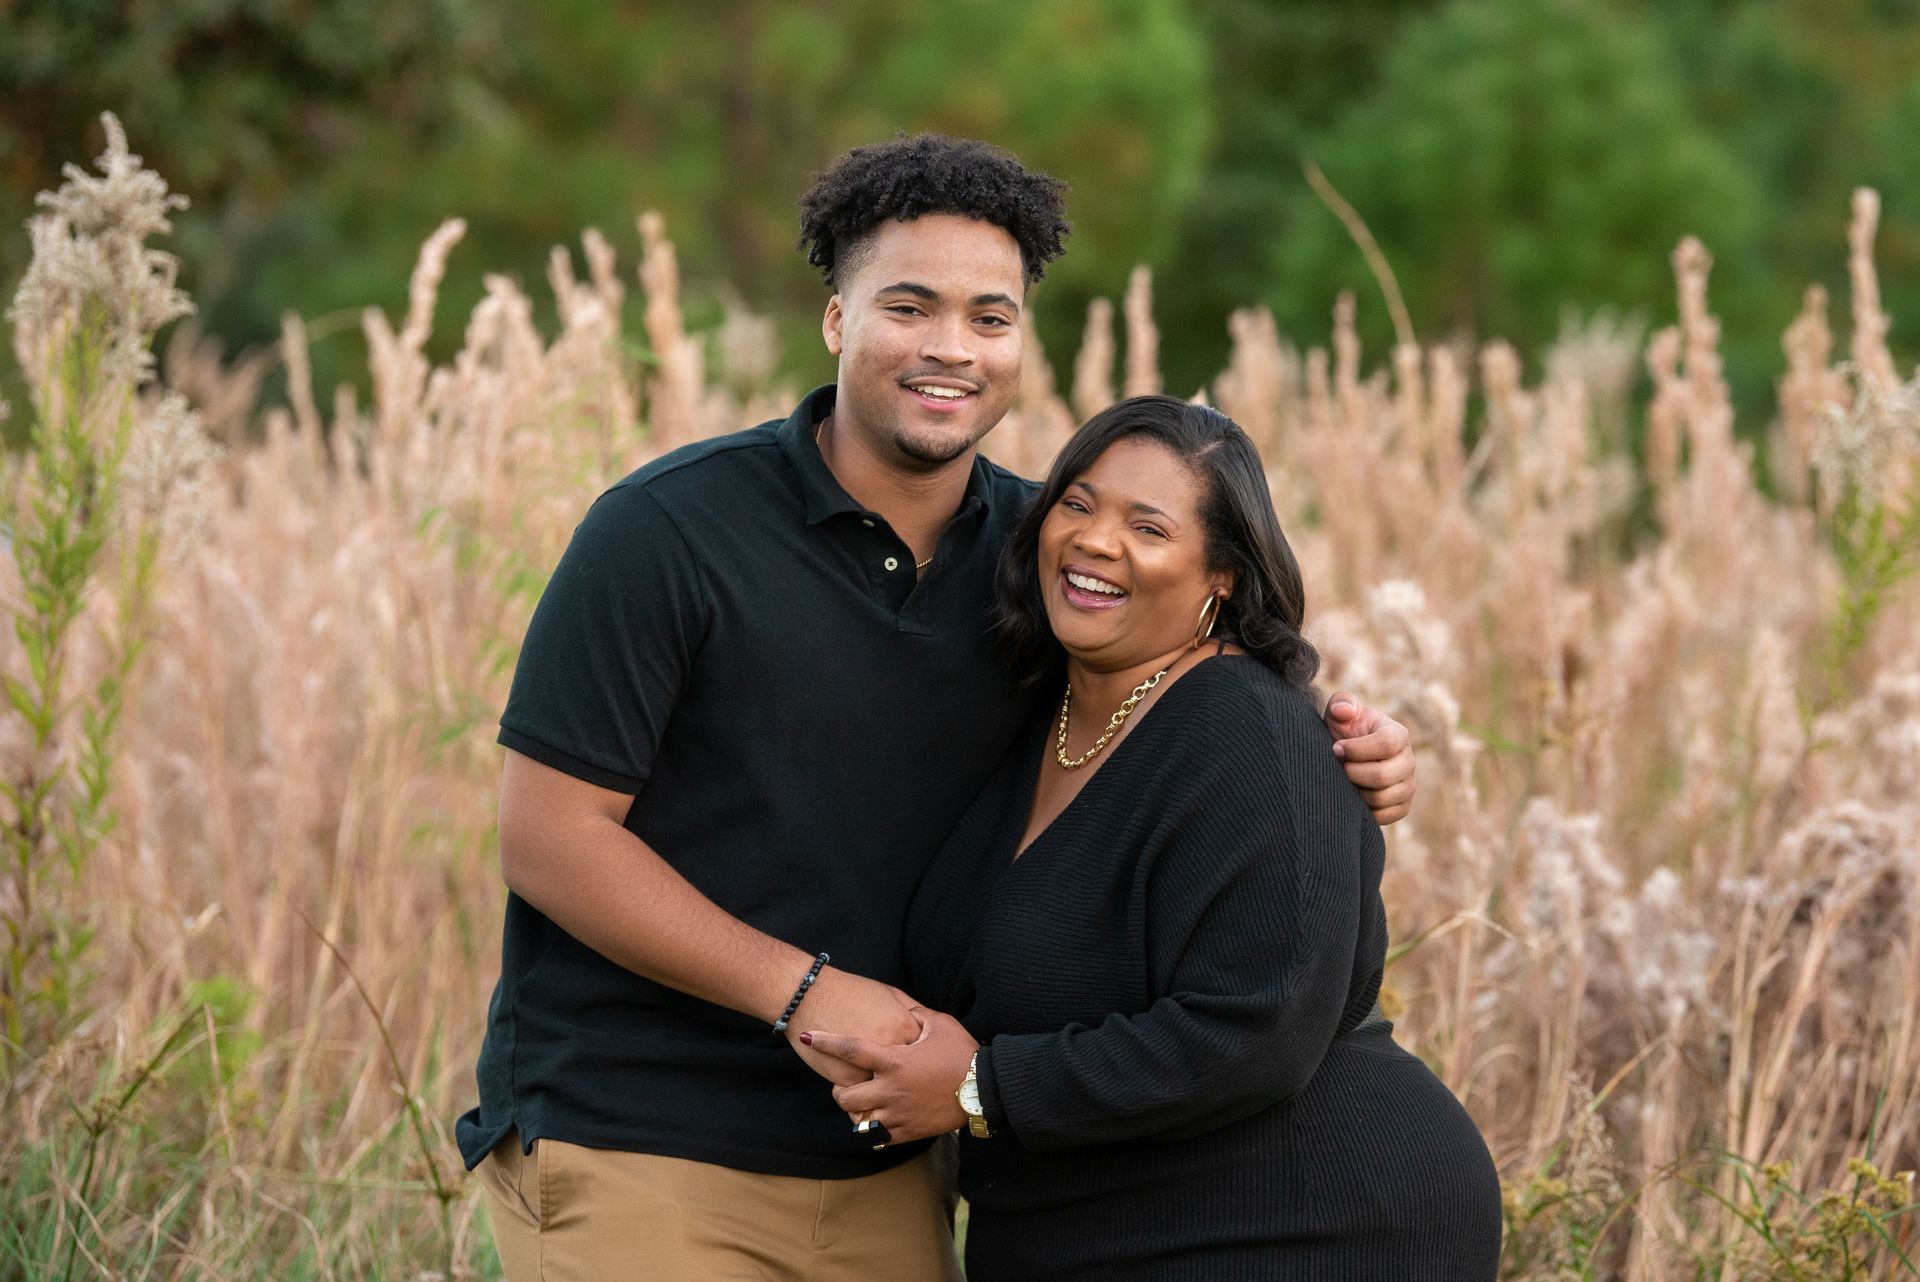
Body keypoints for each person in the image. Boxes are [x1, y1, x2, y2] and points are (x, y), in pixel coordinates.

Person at [456, 135, 1421, 1280]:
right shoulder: (667, 532)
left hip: (889, 1158)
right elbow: (551, 837)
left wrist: (1346, 757)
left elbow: (1172, 720)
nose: (950, 349)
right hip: (640, 1134)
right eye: (908, 307)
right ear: (836, 321)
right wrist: (809, 993)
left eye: (990, 317)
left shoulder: (1045, 560)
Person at [807, 396, 1502, 1280]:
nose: (1098, 540)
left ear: (1224, 577)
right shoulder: (1031, 715)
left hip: (1305, 1219)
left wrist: (983, 1087)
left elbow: (1260, 1026)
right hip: (1089, 1225)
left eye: (1149, 526)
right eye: (1079, 503)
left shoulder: (1253, 734)